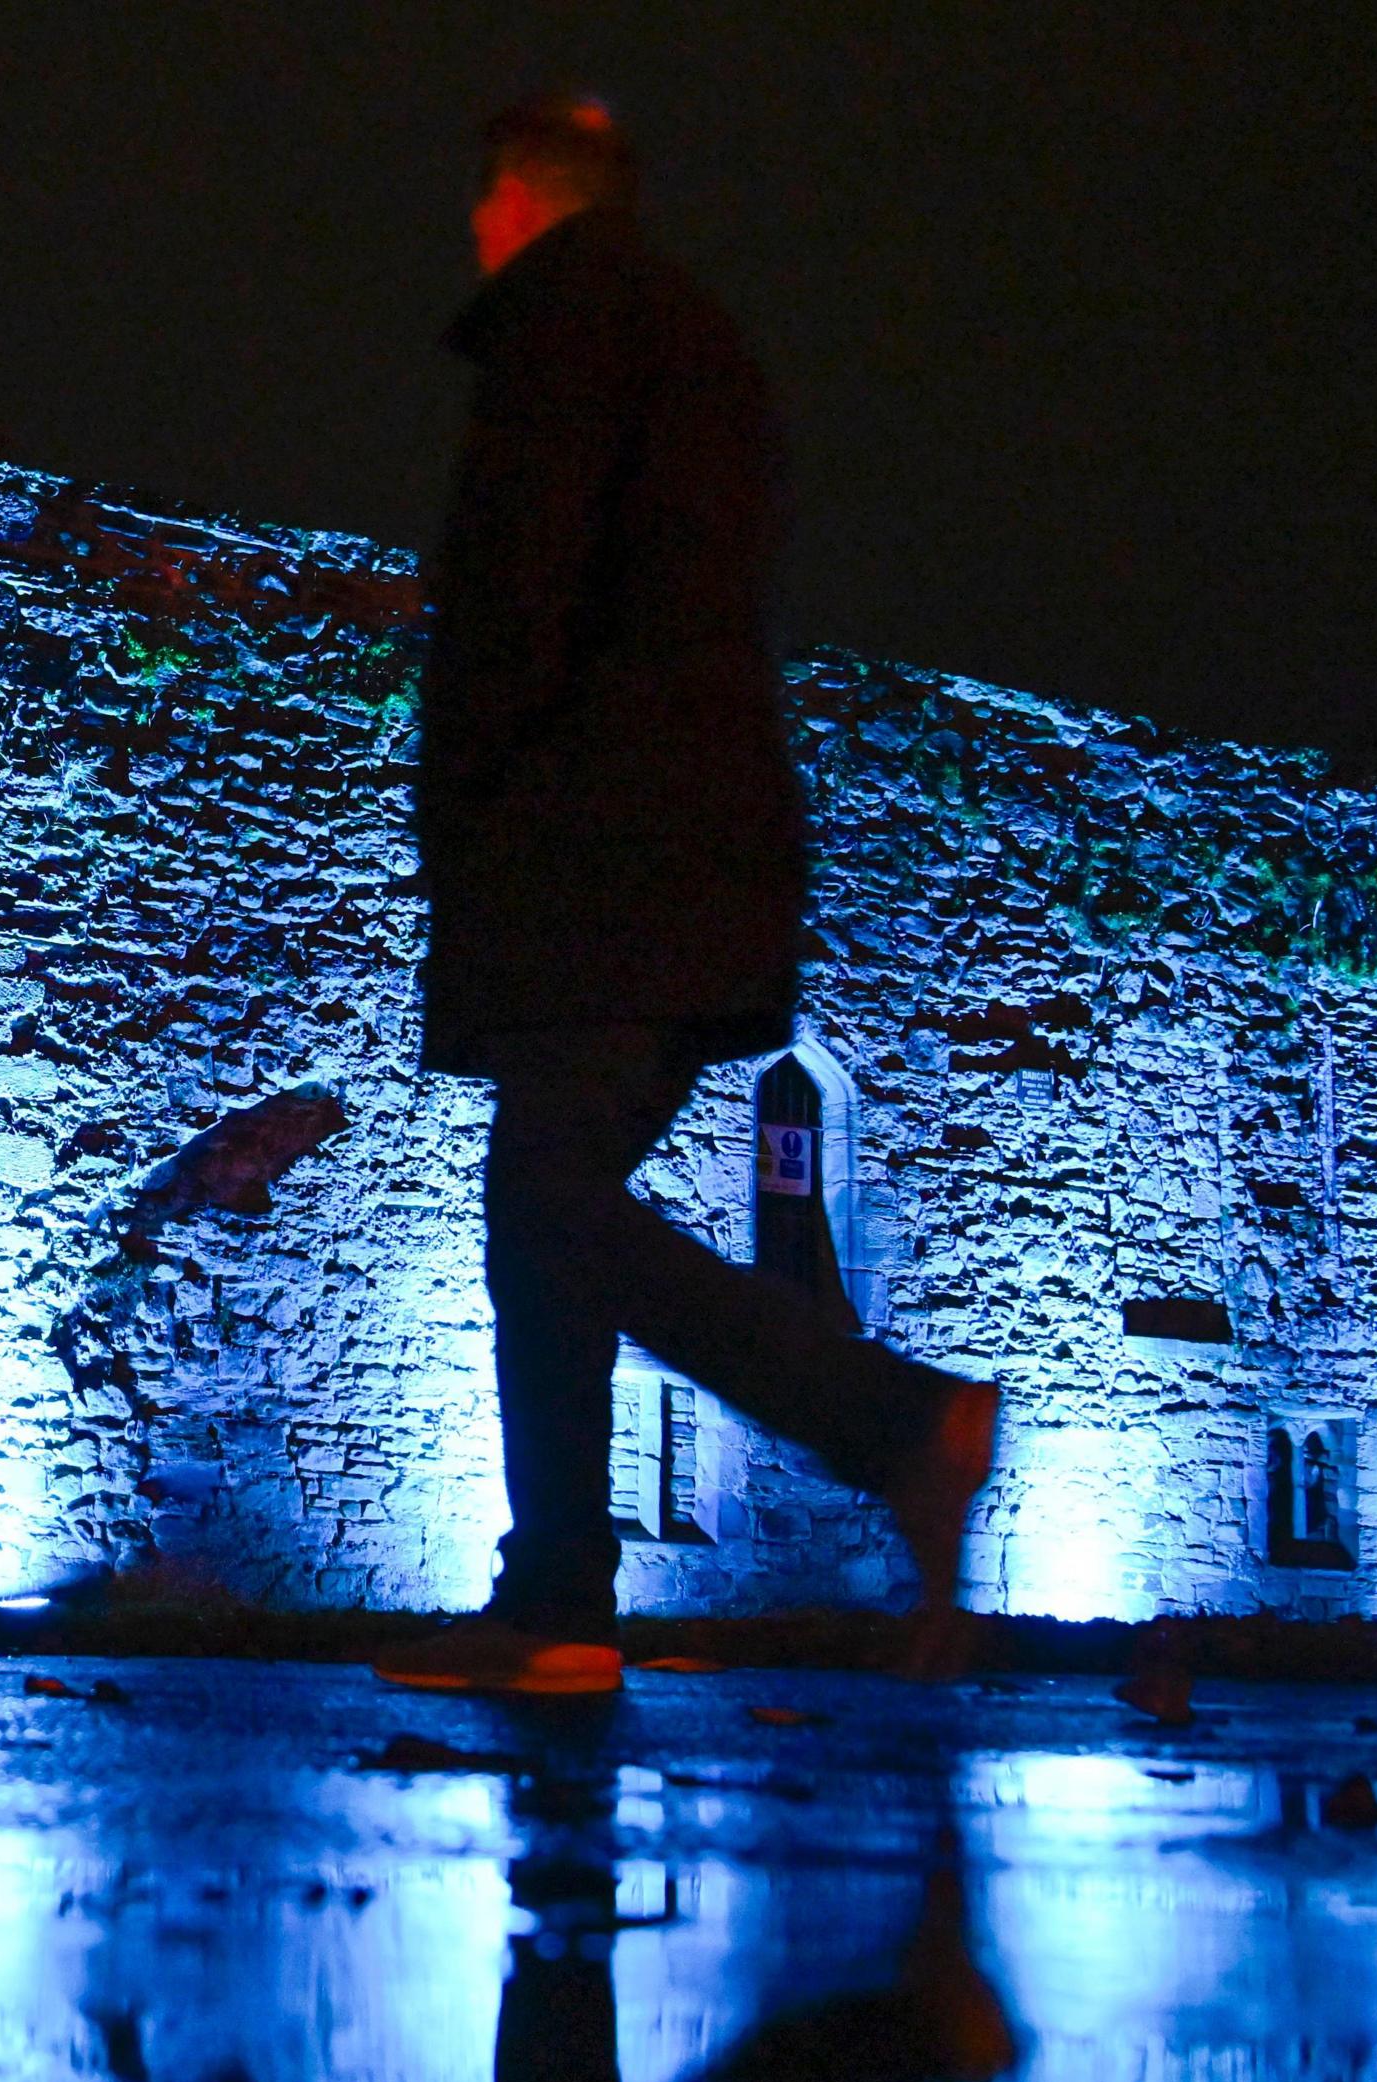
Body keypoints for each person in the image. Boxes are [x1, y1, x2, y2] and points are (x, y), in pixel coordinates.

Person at [379, 95, 999, 1696]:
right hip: (693, 839)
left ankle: (891, 1421)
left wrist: (455, 808)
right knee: (547, 1208)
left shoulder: (566, 322)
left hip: (598, 846)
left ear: (520, 201)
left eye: (480, 208)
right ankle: (562, 1598)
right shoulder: (703, 341)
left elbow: (522, 584)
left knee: (554, 1209)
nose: (472, 237)